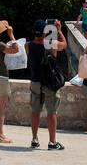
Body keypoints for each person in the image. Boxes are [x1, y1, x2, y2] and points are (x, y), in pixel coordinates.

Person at [27, 21, 66, 150]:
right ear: (45, 32)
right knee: (51, 112)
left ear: (33, 32)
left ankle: (34, 139)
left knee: (35, 111)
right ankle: (52, 141)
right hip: (49, 83)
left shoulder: (28, 45)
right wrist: (58, 30)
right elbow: (64, 45)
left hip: (35, 81)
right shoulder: (52, 44)